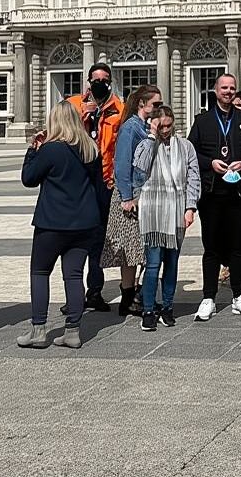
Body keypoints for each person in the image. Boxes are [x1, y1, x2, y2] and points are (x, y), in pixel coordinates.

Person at [18, 101, 110, 350]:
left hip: (52, 222)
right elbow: (98, 186)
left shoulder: (51, 149)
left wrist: (32, 151)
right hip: (84, 223)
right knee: (74, 275)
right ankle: (72, 331)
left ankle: (38, 330)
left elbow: (29, 178)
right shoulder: (90, 148)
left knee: (40, 273)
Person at [187, 73, 241, 321]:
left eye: (232, 88)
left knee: (239, 246)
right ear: (215, 90)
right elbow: (191, 151)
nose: (228, 92)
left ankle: (239, 296)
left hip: (238, 191)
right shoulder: (203, 121)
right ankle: (208, 297)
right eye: (224, 88)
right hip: (212, 192)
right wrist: (210, 162)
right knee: (211, 247)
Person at [132, 105, 200, 331]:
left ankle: (168, 307)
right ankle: (148, 309)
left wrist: (190, 207)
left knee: (172, 262)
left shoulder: (186, 146)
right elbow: (139, 170)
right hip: (153, 211)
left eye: (168, 126)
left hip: (177, 209)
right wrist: (151, 136)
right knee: (152, 264)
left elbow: (193, 177)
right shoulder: (146, 144)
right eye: (160, 126)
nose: (165, 130)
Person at [67, 63, 125, 313]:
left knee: (98, 238)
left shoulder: (119, 109)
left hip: (104, 181)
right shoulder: (73, 105)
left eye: (105, 79)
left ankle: (95, 290)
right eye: (96, 79)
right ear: (88, 82)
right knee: (75, 237)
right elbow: (62, 134)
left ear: (110, 82)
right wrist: (83, 117)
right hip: (78, 180)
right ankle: (73, 294)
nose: (100, 83)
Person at [107, 84, 162, 316]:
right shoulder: (130, 127)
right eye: (155, 104)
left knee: (141, 248)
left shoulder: (147, 125)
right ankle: (128, 297)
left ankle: (138, 293)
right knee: (130, 250)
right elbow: (122, 163)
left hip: (146, 194)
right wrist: (127, 197)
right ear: (142, 103)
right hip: (130, 195)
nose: (158, 107)